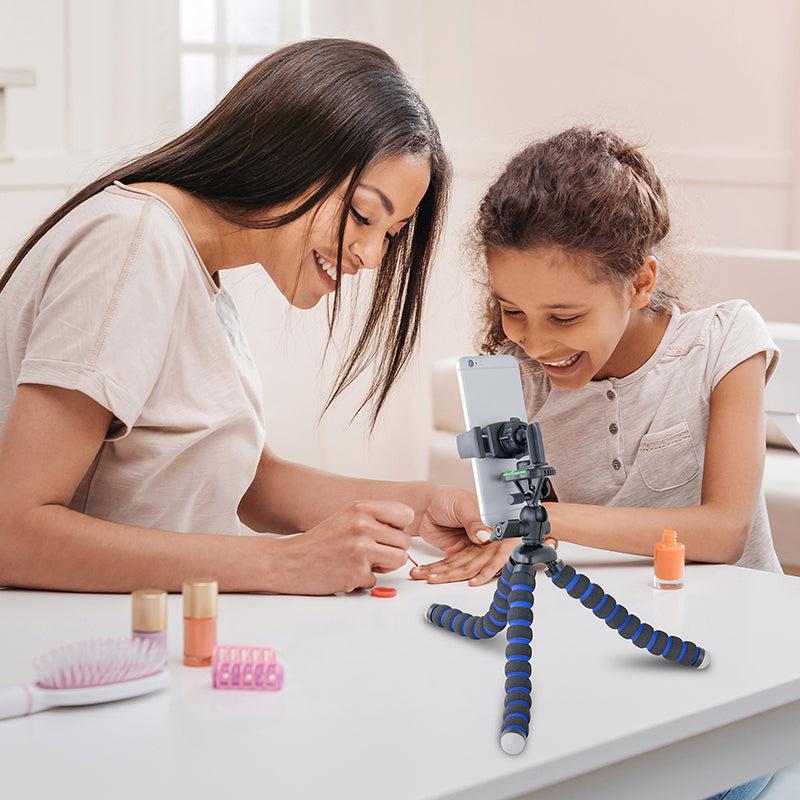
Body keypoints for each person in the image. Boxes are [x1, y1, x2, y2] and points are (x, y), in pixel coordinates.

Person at [0, 38, 488, 595]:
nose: (372, 256)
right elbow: (13, 532)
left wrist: (417, 506)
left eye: (390, 236)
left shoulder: (197, 269)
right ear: (291, 154)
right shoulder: (133, 243)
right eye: (362, 215)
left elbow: (246, 482)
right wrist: (285, 564)